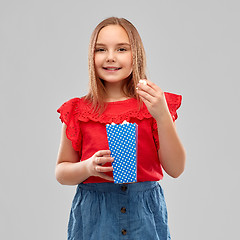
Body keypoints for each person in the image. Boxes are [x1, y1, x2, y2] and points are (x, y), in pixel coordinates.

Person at [56, 17, 186, 240]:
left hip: (143, 215)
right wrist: (88, 167)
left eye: (121, 49)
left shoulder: (153, 105)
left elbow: (176, 168)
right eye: (100, 49)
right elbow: (61, 172)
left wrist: (163, 115)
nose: (110, 57)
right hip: (95, 218)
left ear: (136, 54)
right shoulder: (78, 110)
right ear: (91, 56)